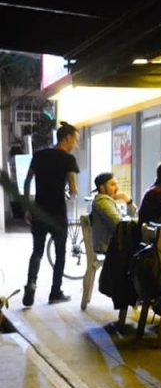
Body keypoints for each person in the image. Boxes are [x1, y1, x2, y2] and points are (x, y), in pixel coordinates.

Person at [22, 121, 80, 306]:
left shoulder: (39, 155)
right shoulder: (68, 160)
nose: (75, 144)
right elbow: (73, 189)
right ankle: (55, 292)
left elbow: (27, 181)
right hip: (57, 215)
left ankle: (31, 283)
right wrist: (70, 191)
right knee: (60, 254)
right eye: (75, 140)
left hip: (38, 211)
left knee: (37, 251)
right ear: (67, 138)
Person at [90, 172, 137, 254]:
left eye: (116, 184)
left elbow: (128, 218)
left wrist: (128, 201)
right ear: (102, 188)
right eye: (112, 184)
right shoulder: (102, 201)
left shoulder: (108, 201)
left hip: (112, 245)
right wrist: (138, 223)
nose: (117, 188)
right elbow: (119, 224)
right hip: (109, 247)